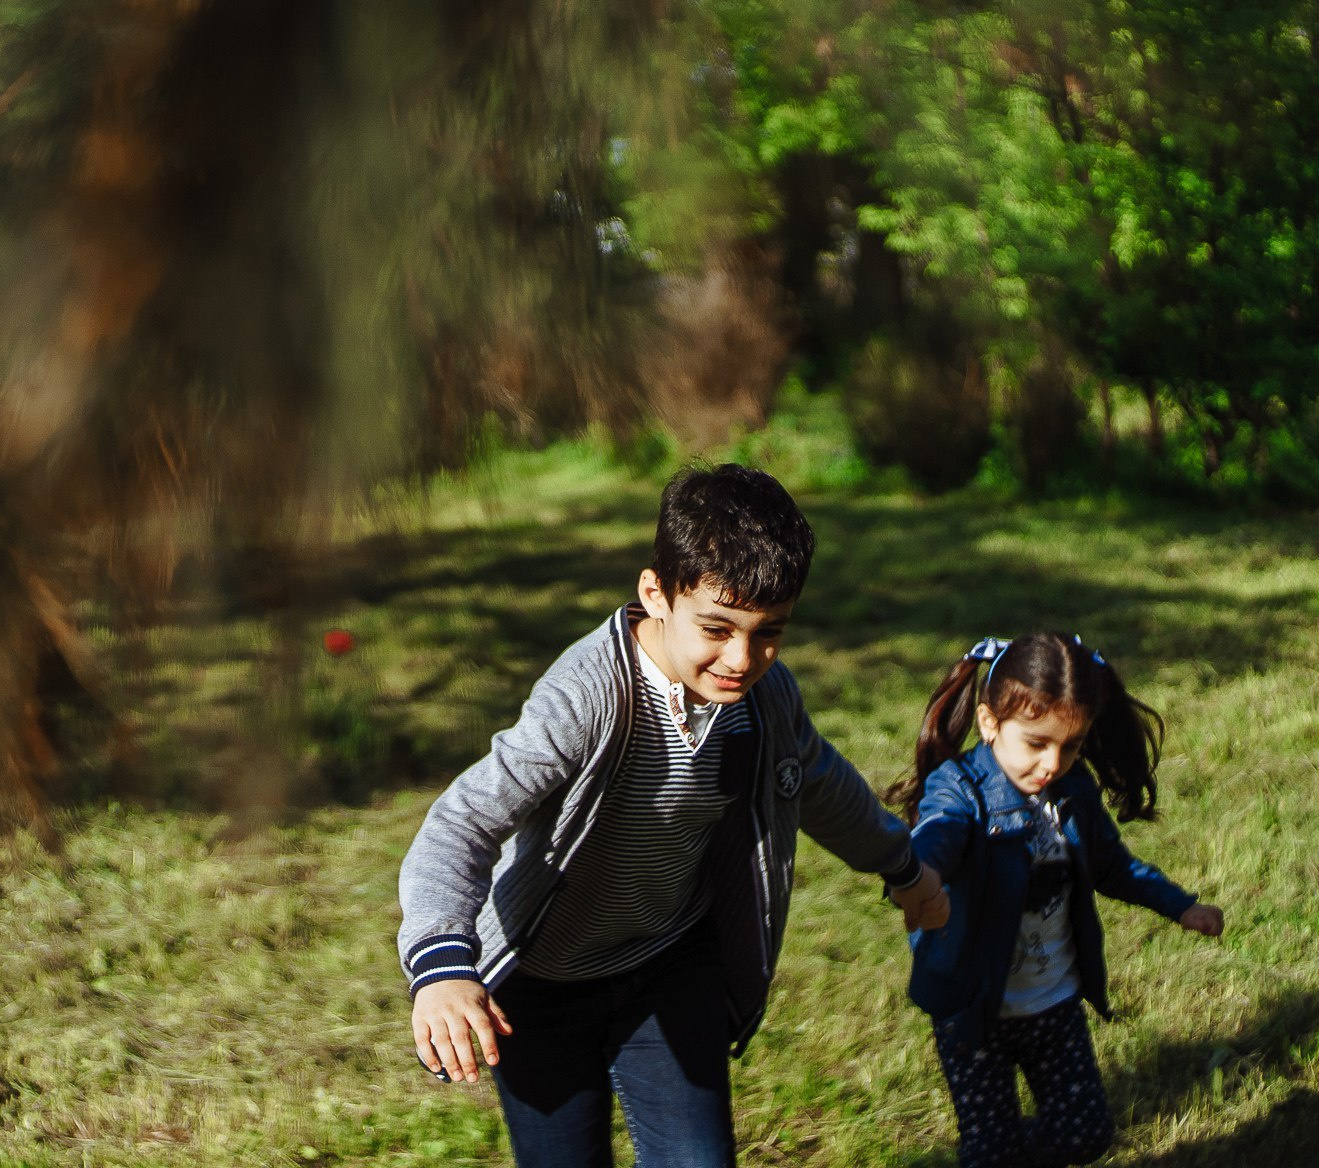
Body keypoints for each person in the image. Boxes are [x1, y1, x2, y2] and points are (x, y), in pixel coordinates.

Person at [396, 463, 950, 1168]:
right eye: (717, 628)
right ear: (655, 593)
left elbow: (819, 784)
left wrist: (904, 868)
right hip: (543, 983)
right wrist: (443, 967)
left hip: (667, 960)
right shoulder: (589, 698)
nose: (742, 658)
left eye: (769, 632)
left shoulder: (764, 699)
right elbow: (460, 824)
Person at [892, 631, 1225, 1168]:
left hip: (1055, 1003)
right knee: (989, 1151)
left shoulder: (1072, 793)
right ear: (989, 723)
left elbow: (1114, 866)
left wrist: (1179, 905)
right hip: (973, 1012)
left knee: (1086, 1135)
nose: (1052, 763)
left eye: (1070, 746)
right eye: (1037, 743)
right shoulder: (961, 788)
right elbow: (939, 830)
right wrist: (918, 872)